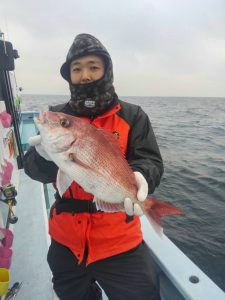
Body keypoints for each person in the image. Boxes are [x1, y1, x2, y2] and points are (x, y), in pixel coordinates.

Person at [23, 33, 164, 300]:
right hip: (66, 242)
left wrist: (142, 176)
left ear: (106, 72)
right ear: (69, 76)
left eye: (93, 67)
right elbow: (32, 171)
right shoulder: (58, 114)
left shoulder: (133, 116)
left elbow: (150, 160)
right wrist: (42, 156)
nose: (85, 75)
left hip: (120, 242)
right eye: (77, 69)